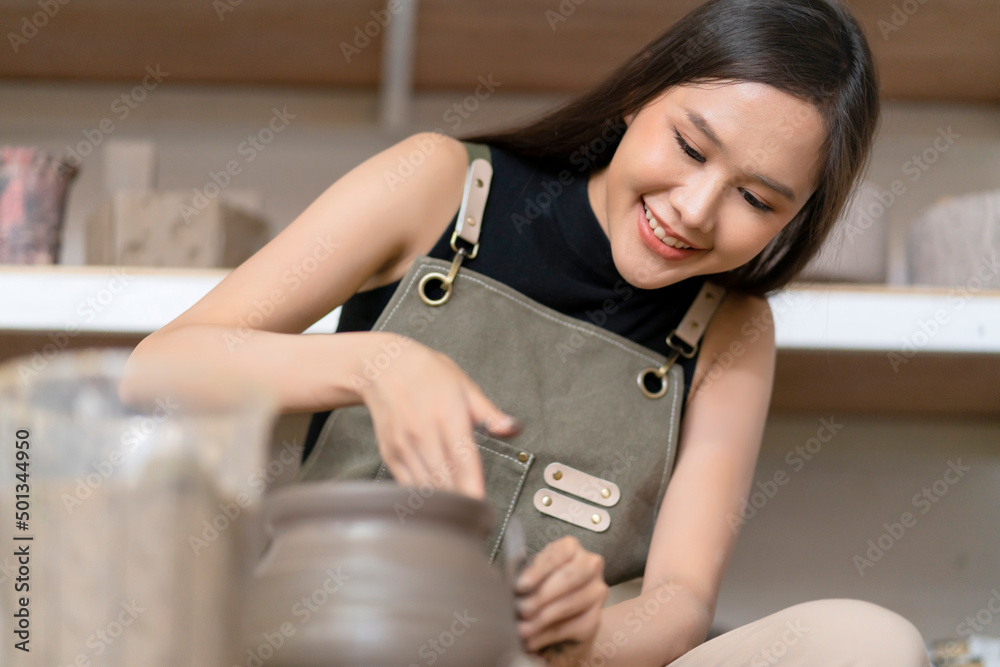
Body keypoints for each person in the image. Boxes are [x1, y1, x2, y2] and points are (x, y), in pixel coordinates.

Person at [121, 0, 933, 664]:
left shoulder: (732, 329)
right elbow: (157, 370)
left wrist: (585, 640)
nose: (695, 209)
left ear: (797, 220)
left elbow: (680, 604)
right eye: (689, 146)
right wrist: (371, 363)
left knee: (869, 642)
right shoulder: (439, 182)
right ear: (639, 95)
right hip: (354, 637)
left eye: (757, 200)